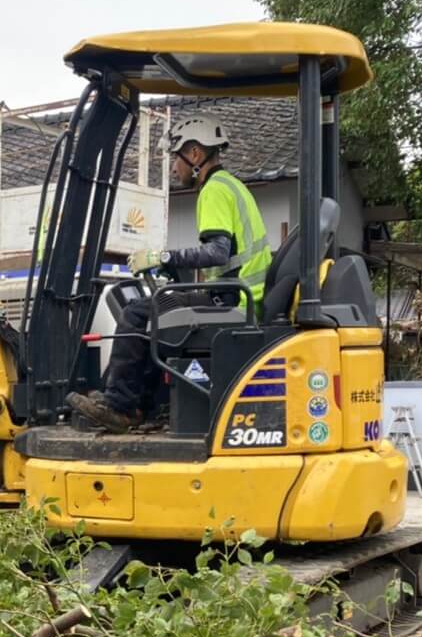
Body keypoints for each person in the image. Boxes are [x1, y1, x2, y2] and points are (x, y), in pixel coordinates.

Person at [67, 115, 270, 433]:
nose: (174, 168)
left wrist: (162, 255)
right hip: (238, 294)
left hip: (233, 299)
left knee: (136, 313)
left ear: (194, 154)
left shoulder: (214, 190)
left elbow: (216, 252)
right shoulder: (233, 186)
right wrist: (171, 265)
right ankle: (139, 407)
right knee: (157, 314)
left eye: (176, 158)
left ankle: (120, 405)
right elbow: (226, 255)